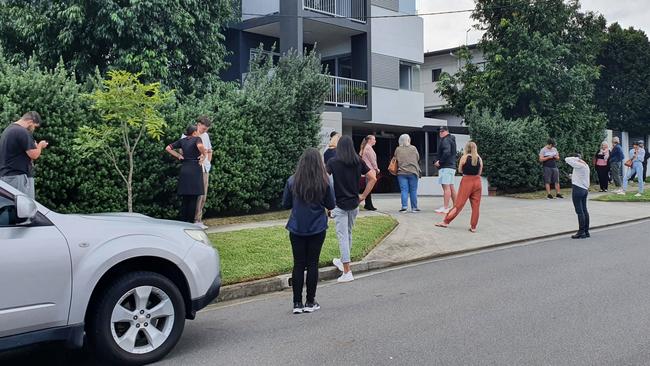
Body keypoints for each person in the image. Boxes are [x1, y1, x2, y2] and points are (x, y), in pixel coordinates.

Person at [282, 148, 336, 314]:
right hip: (317, 227)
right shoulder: (325, 181)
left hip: (297, 227)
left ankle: (297, 303)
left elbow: (286, 204)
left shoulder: (292, 181)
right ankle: (310, 301)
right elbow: (331, 204)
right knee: (313, 263)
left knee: (298, 264)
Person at [327, 135, 377, 283]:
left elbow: (324, 179)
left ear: (339, 147)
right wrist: (363, 195)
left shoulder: (333, 162)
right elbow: (373, 178)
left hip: (339, 204)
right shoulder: (358, 161)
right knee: (348, 234)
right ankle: (344, 262)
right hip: (354, 203)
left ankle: (347, 271)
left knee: (342, 236)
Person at [436, 142, 483, 231]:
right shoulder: (479, 159)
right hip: (477, 181)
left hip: (466, 181)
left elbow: (460, 170)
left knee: (459, 204)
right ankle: (473, 227)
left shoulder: (464, 157)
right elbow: (480, 172)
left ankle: (446, 222)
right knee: (476, 206)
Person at [0, 111, 48, 198]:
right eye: (34, 126)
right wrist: (40, 145)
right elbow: (34, 155)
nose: (33, 129)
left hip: (7, 176)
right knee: (24, 208)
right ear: (30, 122)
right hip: (18, 178)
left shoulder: (9, 130)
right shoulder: (22, 131)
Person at [166, 126, 206, 223]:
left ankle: (183, 221)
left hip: (185, 168)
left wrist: (179, 155)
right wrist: (204, 155)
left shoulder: (182, 141)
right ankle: (190, 222)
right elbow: (200, 146)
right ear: (194, 132)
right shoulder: (197, 139)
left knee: (185, 198)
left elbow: (168, 148)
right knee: (193, 197)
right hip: (195, 168)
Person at [193, 116, 212, 228]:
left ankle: (198, 220)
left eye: (207, 129)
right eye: (204, 129)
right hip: (194, 168)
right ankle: (193, 220)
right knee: (195, 195)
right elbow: (183, 150)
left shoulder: (206, 136)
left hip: (205, 168)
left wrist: (208, 162)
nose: (205, 131)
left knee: (203, 195)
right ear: (198, 124)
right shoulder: (190, 134)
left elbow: (209, 150)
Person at [565, 154, 590, 239]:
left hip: (577, 189)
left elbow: (567, 159)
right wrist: (572, 177)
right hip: (584, 189)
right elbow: (580, 176)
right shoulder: (586, 166)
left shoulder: (579, 165)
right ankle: (586, 231)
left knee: (579, 211)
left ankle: (581, 232)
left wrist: (576, 159)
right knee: (584, 210)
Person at [394, 134, 421, 213]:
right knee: (413, 190)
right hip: (413, 172)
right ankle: (414, 208)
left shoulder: (398, 149)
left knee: (404, 190)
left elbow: (395, 159)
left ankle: (404, 207)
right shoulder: (413, 148)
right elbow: (417, 157)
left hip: (401, 172)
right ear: (408, 140)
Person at [434, 126, 457, 213]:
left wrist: (440, 162)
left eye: (442, 131)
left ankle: (446, 207)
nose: (440, 133)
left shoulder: (445, 140)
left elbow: (447, 152)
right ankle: (456, 206)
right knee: (451, 187)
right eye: (439, 131)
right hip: (451, 166)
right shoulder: (451, 139)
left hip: (446, 167)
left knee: (446, 187)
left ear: (446, 131)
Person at [360, 135, 379, 211]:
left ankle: (368, 204)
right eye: (374, 139)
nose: (375, 141)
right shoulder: (368, 148)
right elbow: (372, 161)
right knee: (369, 187)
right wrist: (376, 168)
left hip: (368, 169)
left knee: (368, 187)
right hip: (370, 170)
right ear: (369, 140)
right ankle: (368, 204)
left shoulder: (366, 147)